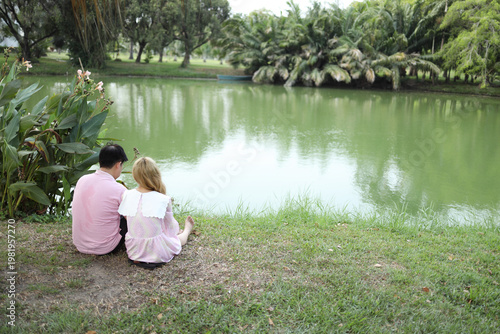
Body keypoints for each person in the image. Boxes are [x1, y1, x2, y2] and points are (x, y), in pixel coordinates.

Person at [118, 157, 195, 269]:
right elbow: (170, 227)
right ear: (156, 175)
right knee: (176, 240)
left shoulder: (125, 195)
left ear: (135, 176)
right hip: (157, 253)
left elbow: (128, 219)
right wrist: (175, 233)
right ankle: (187, 230)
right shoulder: (164, 199)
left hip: (133, 251)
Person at [72, 144, 129, 255]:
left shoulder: (82, 179)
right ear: (118, 164)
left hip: (80, 244)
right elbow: (132, 220)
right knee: (131, 217)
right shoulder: (119, 189)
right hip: (105, 247)